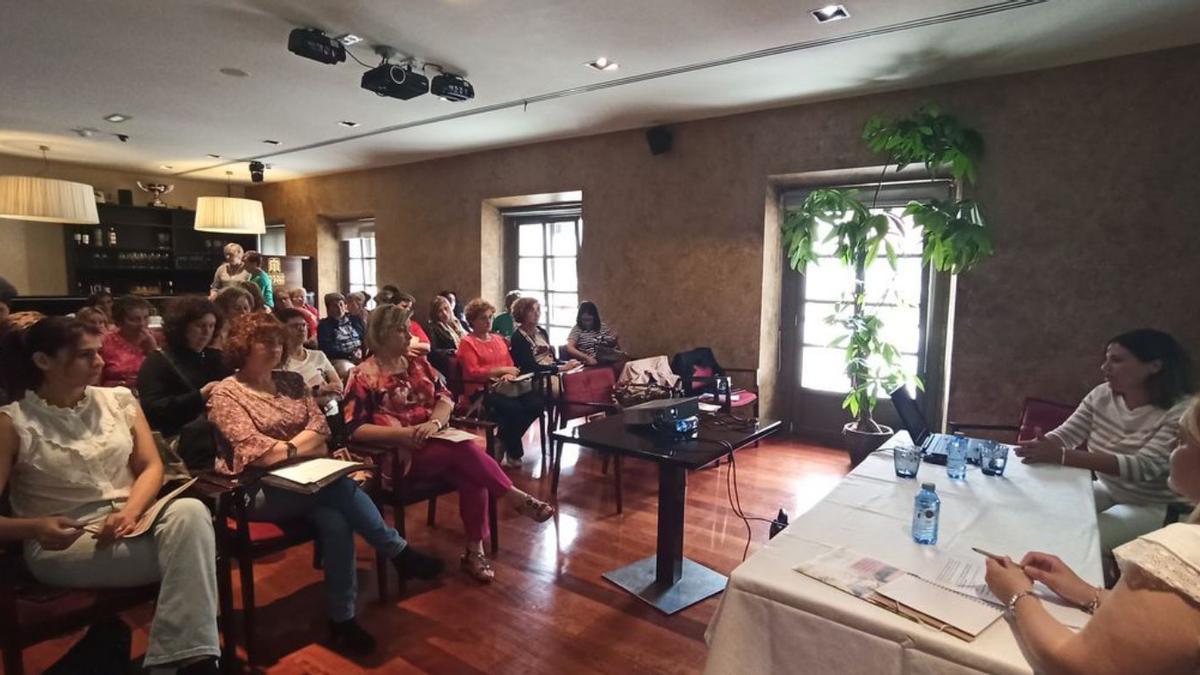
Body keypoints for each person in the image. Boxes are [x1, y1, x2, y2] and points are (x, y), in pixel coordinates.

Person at [207, 313, 443, 655]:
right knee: (337, 489)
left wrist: (287, 448)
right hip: (253, 490)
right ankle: (397, 551)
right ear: (242, 347)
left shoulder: (291, 381)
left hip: (309, 477)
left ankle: (343, 618)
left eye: (278, 341)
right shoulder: (226, 395)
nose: (275, 348)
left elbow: (322, 430)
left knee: (335, 516)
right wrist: (296, 446)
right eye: (265, 341)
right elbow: (257, 455)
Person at [0, 317, 221, 673]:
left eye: (99, 352)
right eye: (85, 356)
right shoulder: (14, 422)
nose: (100, 362)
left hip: (133, 519)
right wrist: (35, 526)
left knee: (192, 513)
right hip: (68, 540)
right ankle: (187, 661)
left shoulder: (118, 400)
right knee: (196, 551)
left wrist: (130, 512)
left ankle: (181, 660)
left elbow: (151, 467)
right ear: (43, 361)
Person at [984, 394, 1200, 675]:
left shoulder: (1181, 554)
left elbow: (1078, 666)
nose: (1172, 447)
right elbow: (1170, 623)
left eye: (1182, 440)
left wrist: (1017, 593)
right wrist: (1088, 593)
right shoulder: (1102, 395)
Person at [343, 305, 554, 583]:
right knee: (467, 451)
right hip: (396, 455)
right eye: (400, 329)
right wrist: (403, 435)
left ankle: (474, 551)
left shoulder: (418, 364)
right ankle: (513, 497)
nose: (409, 335)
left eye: (408, 327)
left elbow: (445, 398)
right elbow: (354, 429)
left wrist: (435, 423)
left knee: (472, 474)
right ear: (381, 334)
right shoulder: (363, 375)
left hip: (434, 442)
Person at [1015, 329, 1194, 554]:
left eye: (1116, 360)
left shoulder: (1181, 411)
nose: (1104, 368)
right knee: (1044, 515)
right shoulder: (1102, 394)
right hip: (1109, 488)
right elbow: (1066, 435)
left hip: (1153, 505)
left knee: (1079, 542)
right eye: (1106, 359)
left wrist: (1060, 456)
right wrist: (1037, 447)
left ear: (1154, 367)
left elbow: (1142, 467)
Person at [457, 298, 544, 468]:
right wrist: (500, 371)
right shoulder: (467, 342)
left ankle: (501, 440)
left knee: (537, 404)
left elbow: (510, 364)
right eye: (483, 318)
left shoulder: (498, 339)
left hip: (507, 386)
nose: (489, 321)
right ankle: (515, 453)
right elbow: (473, 372)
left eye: (490, 317)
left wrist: (509, 375)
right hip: (483, 390)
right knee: (514, 409)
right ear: (472, 320)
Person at [138, 297, 227, 437]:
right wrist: (199, 396)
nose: (207, 332)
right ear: (182, 327)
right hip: (179, 438)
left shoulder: (216, 357)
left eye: (211, 326)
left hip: (216, 434)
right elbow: (152, 409)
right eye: (200, 326)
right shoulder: (158, 361)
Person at [276, 307, 342, 408]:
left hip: (329, 407)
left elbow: (338, 385)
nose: (302, 329)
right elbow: (290, 397)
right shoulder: (279, 361)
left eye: (304, 325)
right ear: (281, 330)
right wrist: (321, 391)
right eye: (295, 326)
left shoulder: (318, 355)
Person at [509, 297, 580, 380]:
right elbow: (530, 367)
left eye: (538, 310)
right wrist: (562, 368)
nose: (537, 313)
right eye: (532, 311)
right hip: (536, 378)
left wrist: (569, 363)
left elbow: (552, 359)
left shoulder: (541, 331)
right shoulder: (518, 337)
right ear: (522, 313)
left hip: (552, 371)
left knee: (578, 375)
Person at [99, 295, 158, 390]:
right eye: (134, 319)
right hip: (113, 395)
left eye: (146, 318)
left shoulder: (157, 338)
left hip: (148, 394)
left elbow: (163, 376)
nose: (142, 324)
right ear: (119, 321)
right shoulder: (105, 342)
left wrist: (153, 350)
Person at [317, 292, 366, 379]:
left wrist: (362, 351)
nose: (339, 308)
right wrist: (350, 354)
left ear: (345, 306)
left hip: (361, 355)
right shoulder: (324, 325)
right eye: (335, 306)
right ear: (328, 309)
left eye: (341, 304)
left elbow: (366, 338)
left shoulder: (356, 320)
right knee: (348, 371)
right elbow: (328, 349)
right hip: (340, 358)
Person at [566, 301, 623, 366]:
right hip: (591, 361)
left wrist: (614, 341)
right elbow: (570, 348)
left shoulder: (602, 327)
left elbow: (613, 344)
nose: (587, 323)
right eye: (584, 320)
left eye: (589, 320)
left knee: (626, 360)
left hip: (606, 358)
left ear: (595, 318)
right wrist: (587, 358)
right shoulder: (577, 328)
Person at [211, 286, 253, 350]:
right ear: (223, 310)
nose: (243, 312)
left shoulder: (251, 334)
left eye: (246, 308)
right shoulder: (214, 334)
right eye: (237, 308)